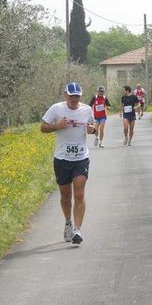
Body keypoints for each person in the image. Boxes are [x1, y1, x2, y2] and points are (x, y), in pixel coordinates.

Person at [41, 82, 96, 245]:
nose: (74, 99)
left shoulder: (86, 109)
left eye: (77, 96)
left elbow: (92, 127)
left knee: (79, 194)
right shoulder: (56, 109)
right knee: (66, 197)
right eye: (71, 96)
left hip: (81, 158)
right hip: (62, 159)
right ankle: (68, 223)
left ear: (80, 96)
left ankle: (77, 230)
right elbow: (43, 127)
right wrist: (57, 126)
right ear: (65, 95)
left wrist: (92, 130)